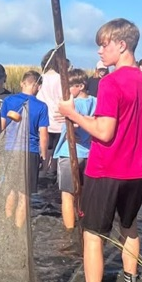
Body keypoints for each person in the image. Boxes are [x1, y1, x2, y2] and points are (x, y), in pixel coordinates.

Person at [58, 18, 142, 282]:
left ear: (121, 45)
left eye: (104, 45)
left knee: (93, 235)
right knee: (129, 228)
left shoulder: (111, 82)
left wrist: (72, 114)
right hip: (137, 172)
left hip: (106, 170)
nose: (99, 51)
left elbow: (105, 131)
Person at [53, 69, 96, 229]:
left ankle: (69, 231)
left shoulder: (72, 105)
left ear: (81, 86)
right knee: (82, 193)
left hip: (69, 153)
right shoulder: (96, 102)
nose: (67, 89)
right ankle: (82, 225)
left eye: (70, 86)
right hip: (89, 153)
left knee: (67, 195)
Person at [0, 71, 49, 194]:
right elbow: (43, 135)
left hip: (10, 150)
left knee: (11, 191)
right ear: (39, 86)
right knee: (24, 194)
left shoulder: (8, 100)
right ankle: (23, 214)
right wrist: (43, 156)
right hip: (30, 152)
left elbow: (3, 128)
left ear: (22, 83)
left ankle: (9, 214)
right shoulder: (42, 106)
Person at [37, 49, 69, 177]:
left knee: (46, 146)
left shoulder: (41, 78)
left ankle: (44, 169)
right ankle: (53, 171)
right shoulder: (62, 79)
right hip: (59, 117)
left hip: (45, 118)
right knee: (57, 147)